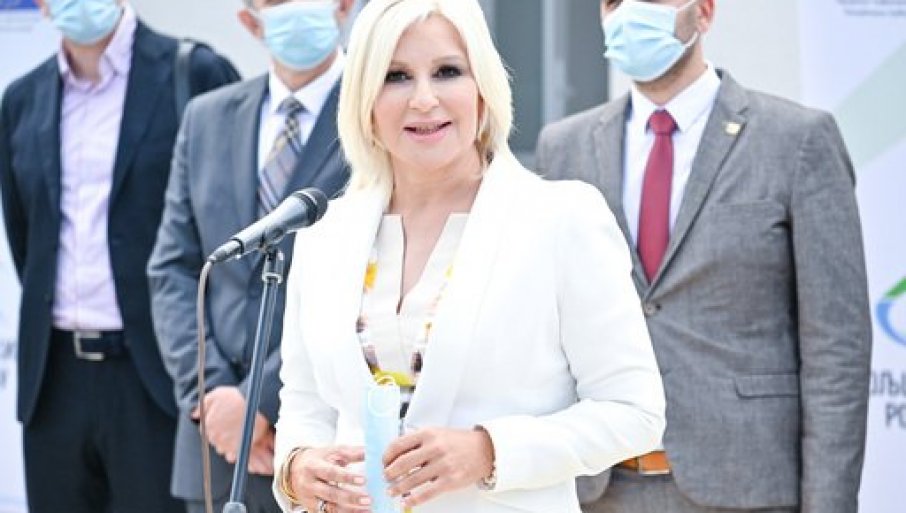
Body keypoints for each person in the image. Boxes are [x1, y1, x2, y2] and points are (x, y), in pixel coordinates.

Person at [272, 1, 667, 512]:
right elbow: (305, 404)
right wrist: (296, 468)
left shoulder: (561, 219)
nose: (424, 99)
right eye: (395, 76)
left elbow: (633, 412)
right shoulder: (325, 233)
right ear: (364, 100)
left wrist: (489, 451)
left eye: (447, 72)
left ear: (483, 89)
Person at [536, 1, 873, 512]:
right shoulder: (565, 147)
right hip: (601, 488)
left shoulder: (796, 141)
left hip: (747, 489)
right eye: (613, 2)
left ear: (705, 12)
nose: (630, 13)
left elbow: (837, 349)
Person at [0, 1, 238, 512]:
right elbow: (26, 239)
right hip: (54, 380)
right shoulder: (22, 100)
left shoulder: (193, 73)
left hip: (156, 374)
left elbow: (230, 226)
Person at [147, 0, 354, 511]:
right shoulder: (207, 117)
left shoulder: (377, 113)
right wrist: (215, 399)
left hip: (325, 444)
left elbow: (372, 279)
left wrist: (259, 401)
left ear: (344, 6)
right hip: (215, 445)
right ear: (249, 20)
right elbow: (173, 270)